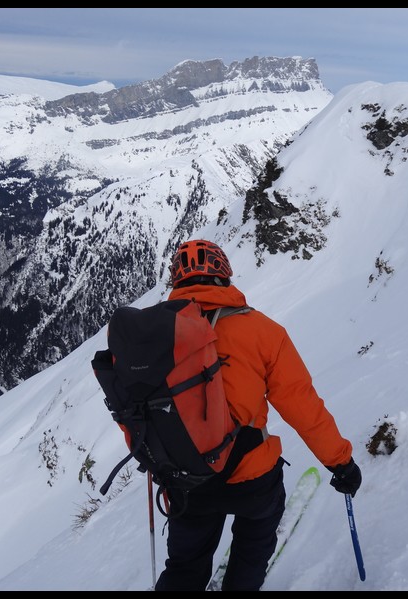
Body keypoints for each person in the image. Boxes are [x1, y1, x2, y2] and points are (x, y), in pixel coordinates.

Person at [154, 239, 362, 592]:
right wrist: (340, 462)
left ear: (176, 279)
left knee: (185, 567)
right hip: (250, 474)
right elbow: (300, 404)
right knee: (252, 553)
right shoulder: (264, 331)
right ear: (224, 275)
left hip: (186, 479)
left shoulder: (154, 334)